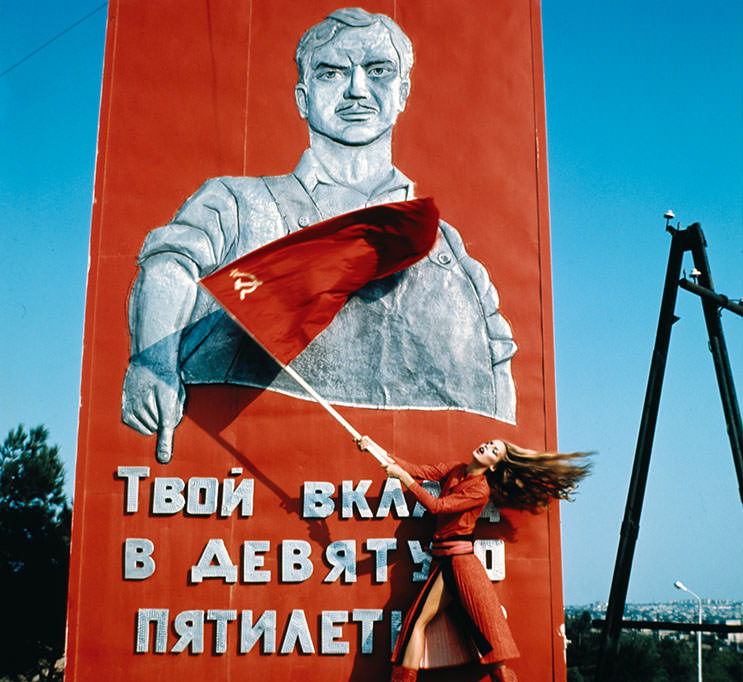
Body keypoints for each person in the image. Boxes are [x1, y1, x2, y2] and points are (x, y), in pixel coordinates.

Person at [122, 8, 517, 464]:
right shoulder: (238, 203)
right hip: (244, 476)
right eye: (332, 72)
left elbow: (497, 386)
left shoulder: (446, 250)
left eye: (378, 70)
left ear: (403, 92)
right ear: (302, 98)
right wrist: (152, 361)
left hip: (407, 505)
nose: (356, 89)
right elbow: (169, 263)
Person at [356, 434, 590, 682]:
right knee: (468, 634)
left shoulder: (480, 489)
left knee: (476, 635)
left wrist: (402, 477)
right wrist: (374, 448)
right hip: (447, 563)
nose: (487, 447)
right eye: (490, 443)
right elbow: (418, 470)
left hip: (461, 565)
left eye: (494, 451)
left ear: (494, 466)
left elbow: (438, 507)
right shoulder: (456, 469)